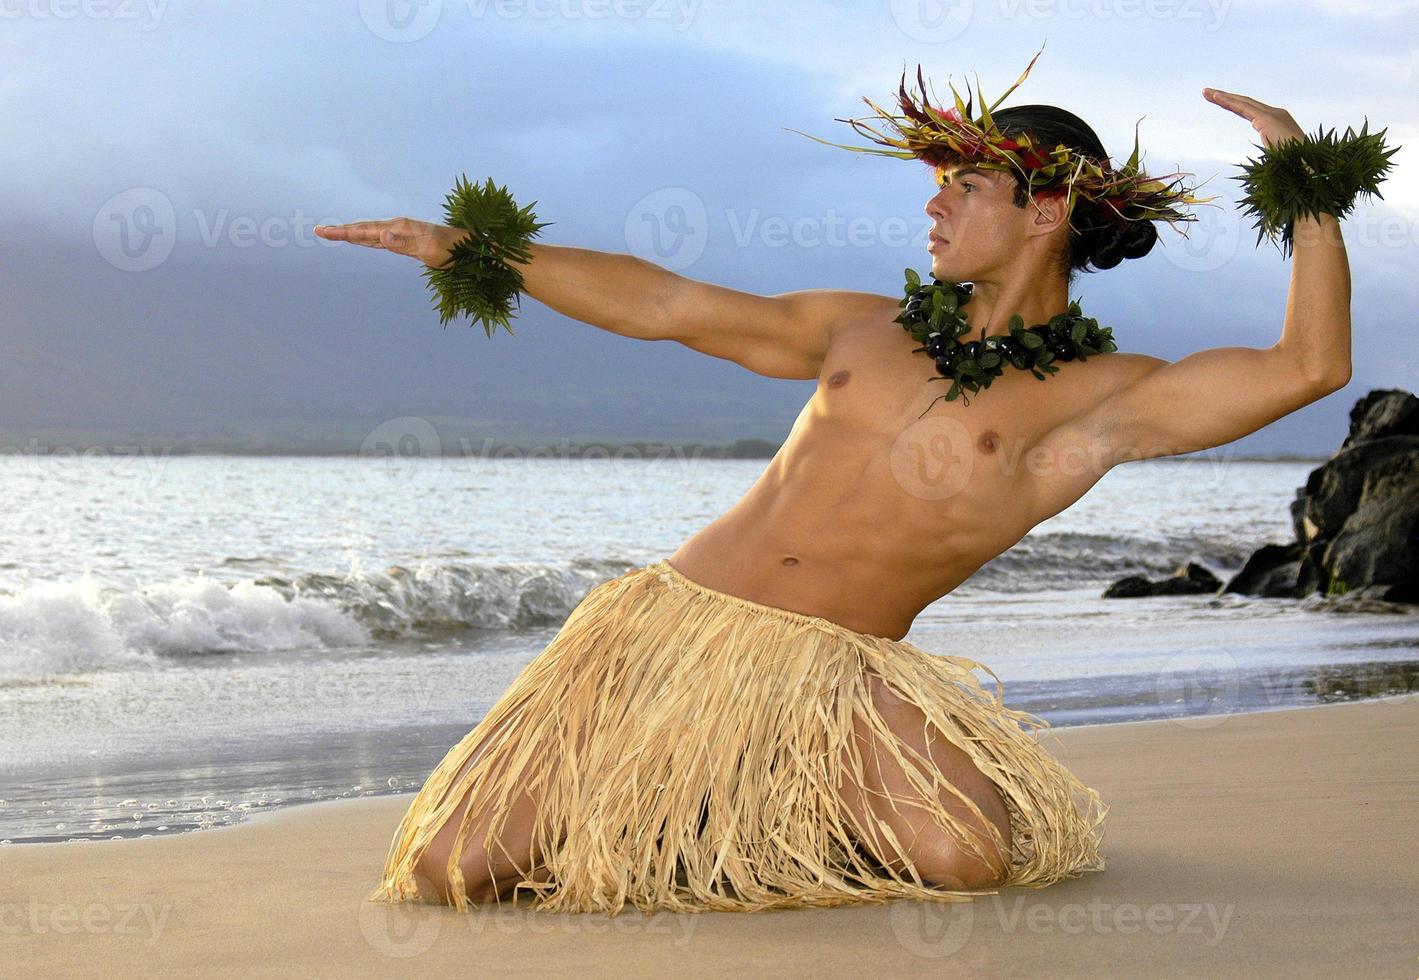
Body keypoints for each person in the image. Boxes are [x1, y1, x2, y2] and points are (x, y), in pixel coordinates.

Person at [313, 79, 1363, 916]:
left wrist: (1303, 178)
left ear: (1045, 209)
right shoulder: (865, 327)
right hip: (669, 632)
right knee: (448, 867)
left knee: (964, 854)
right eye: (936, 183)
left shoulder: (1099, 400)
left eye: (964, 187)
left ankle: (755, 803)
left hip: (837, 677)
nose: (933, 204)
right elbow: (669, 304)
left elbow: (1306, 366)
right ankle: (684, 806)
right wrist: (476, 250)